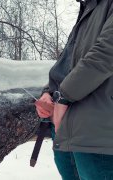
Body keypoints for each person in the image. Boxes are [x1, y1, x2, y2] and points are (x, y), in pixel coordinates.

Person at [35, 0, 113, 179]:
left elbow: (105, 53)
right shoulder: (89, 9)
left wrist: (64, 97)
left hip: (98, 134)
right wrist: (48, 92)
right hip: (67, 129)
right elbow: (68, 63)